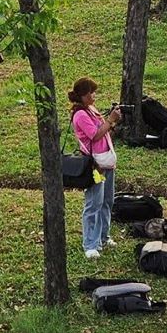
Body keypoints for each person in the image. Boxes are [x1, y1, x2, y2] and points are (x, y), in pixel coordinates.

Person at [69, 78, 120, 259]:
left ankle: (103, 237)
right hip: (95, 165)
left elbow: (104, 131)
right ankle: (90, 244)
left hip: (106, 161)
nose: (94, 96)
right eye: (91, 92)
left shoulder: (91, 110)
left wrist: (112, 123)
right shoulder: (80, 115)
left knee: (107, 201)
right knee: (94, 203)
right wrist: (110, 120)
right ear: (83, 95)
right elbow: (95, 135)